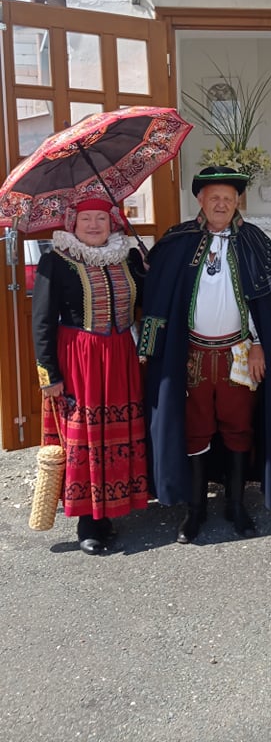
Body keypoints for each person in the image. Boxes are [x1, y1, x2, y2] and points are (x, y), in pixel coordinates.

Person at [139, 165, 271, 543]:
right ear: (200, 201)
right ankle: (195, 510)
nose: (221, 204)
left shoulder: (254, 241)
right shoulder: (177, 241)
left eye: (228, 198)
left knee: (239, 429)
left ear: (238, 202)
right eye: (214, 198)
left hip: (239, 355)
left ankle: (236, 506)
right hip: (192, 356)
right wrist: (149, 267)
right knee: (196, 430)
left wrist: (260, 344)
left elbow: (265, 303)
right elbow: (157, 293)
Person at [32, 196, 148, 554]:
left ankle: (113, 509)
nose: (94, 225)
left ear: (112, 223)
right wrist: (49, 375)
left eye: (101, 218)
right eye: (86, 219)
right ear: (73, 223)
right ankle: (88, 521)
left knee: (117, 435)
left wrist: (150, 269)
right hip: (79, 359)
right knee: (85, 438)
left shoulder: (128, 257)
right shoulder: (56, 261)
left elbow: (144, 300)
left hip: (121, 355)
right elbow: (42, 321)